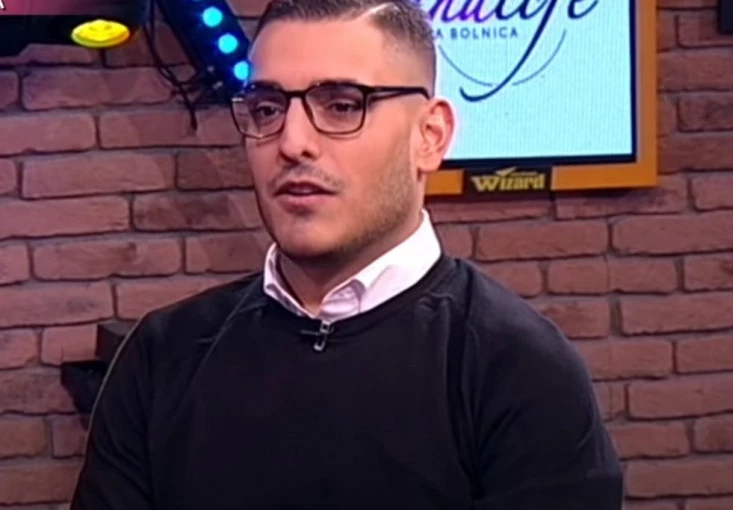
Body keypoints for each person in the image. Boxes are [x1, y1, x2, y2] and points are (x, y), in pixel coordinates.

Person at [70, 0, 624, 508]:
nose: (292, 142)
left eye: (341, 105)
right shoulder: (161, 356)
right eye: (267, 109)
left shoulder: (519, 371)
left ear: (430, 136)